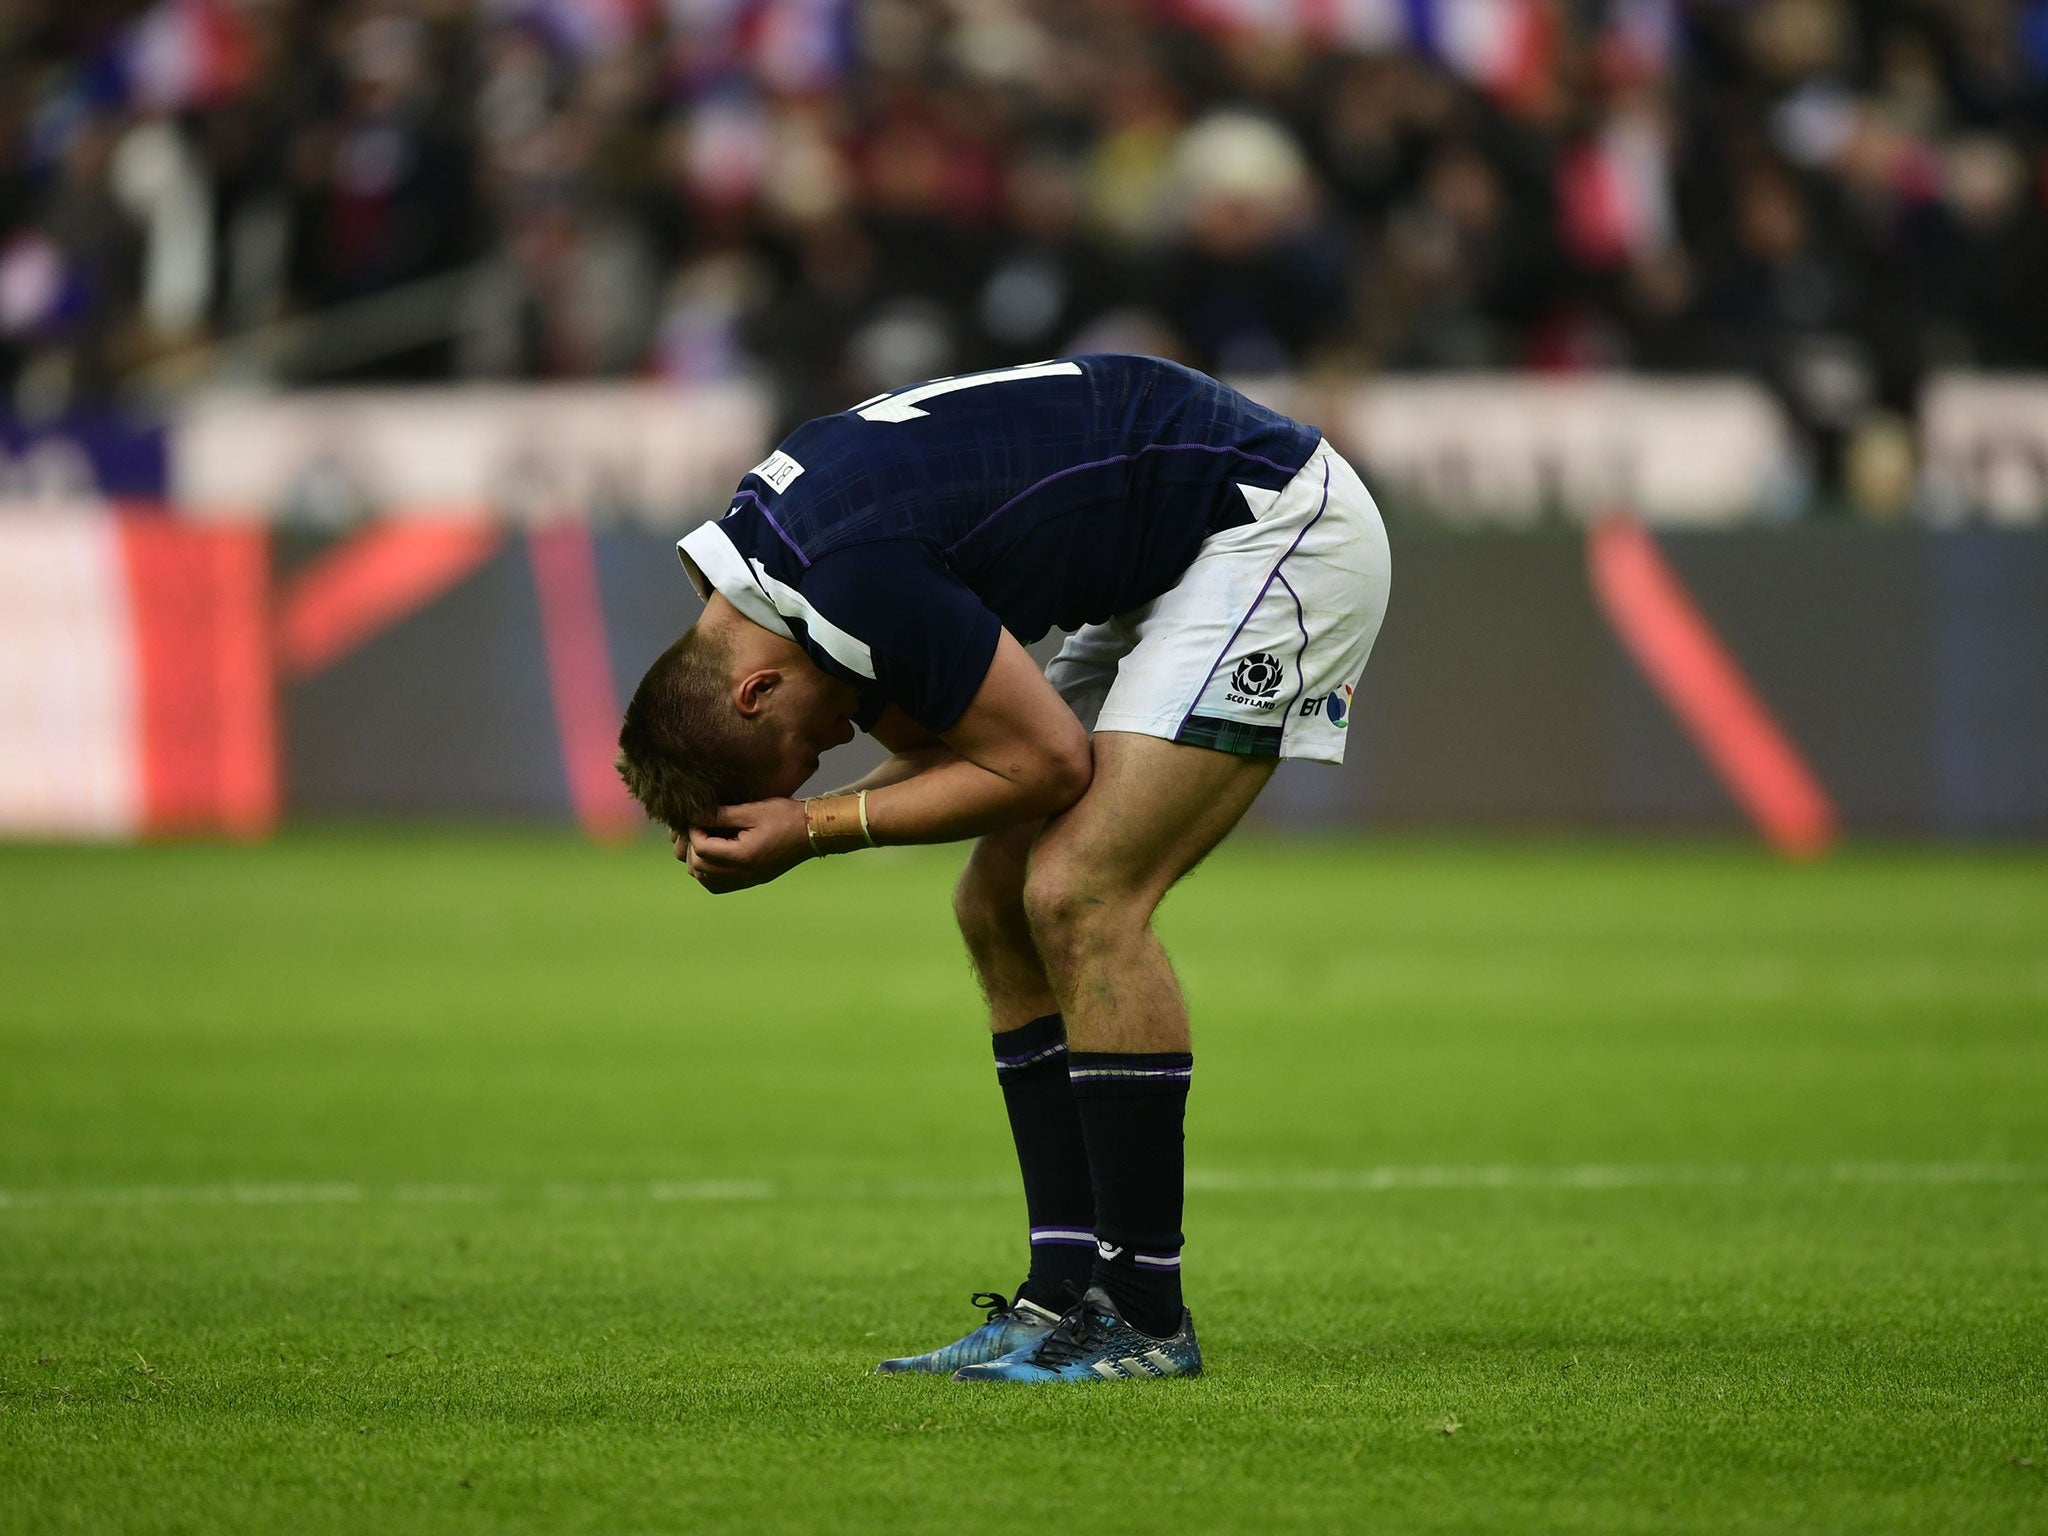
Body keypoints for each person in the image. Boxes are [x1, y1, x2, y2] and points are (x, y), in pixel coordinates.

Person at [616, 354, 1391, 1382]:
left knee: (1079, 892)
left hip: (1273, 529)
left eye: (799, 752)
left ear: (753, 692)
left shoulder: (848, 577)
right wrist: (780, 811)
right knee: (994, 903)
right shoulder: (760, 568)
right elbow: (960, 753)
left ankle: (1144, 1316)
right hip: (1172, 554)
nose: (824, 757)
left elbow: (1039, 765)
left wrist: (806, 827)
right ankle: (1062, 1294)